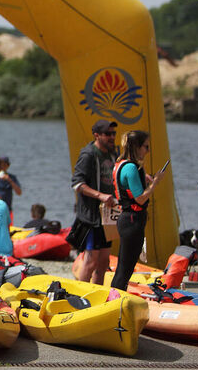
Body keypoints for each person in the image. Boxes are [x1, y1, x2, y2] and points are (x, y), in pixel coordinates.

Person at [109, 130, 167, 291]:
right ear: (136, 147)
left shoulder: (121, 163)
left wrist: (145, 178)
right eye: (146, 147)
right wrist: (155, 182)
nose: (148, 151)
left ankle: (116, 295)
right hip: (132, 221)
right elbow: (140, 198)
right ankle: (116, 298)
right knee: (125, 268)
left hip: (128, 220)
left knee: (124, 266)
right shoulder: (131, 168)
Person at [71, 119, 119, 285]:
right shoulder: (88, 154)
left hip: (107, 216)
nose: (112, 137)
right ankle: (81, 293)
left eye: (113, 133)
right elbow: (77, 184)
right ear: (97, 135)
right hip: (91, 216)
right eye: (108, 134)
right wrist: (100, 196)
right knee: (91, 261)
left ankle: (97, 293)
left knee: (104, 262)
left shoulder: (113, 153)